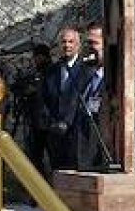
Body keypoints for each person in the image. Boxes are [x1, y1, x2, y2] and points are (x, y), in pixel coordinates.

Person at [40, 25, 103, 172]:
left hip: (78, 137)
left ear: (78, 45)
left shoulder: (87, 70)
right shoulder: (51, 71)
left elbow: (82, 100)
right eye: (63, 42)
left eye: (71, 42)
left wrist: (68, 122)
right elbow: (43, 101)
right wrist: (51, 124)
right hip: (55, 137)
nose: (67, 45)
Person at [12, 43, 53, 180]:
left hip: (48, 120)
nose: (36, 60)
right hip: (34, 120)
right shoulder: (35, 73)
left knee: (53, 157)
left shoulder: (52, 72)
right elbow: (19, 87)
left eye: (38, 57)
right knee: (34, 156)